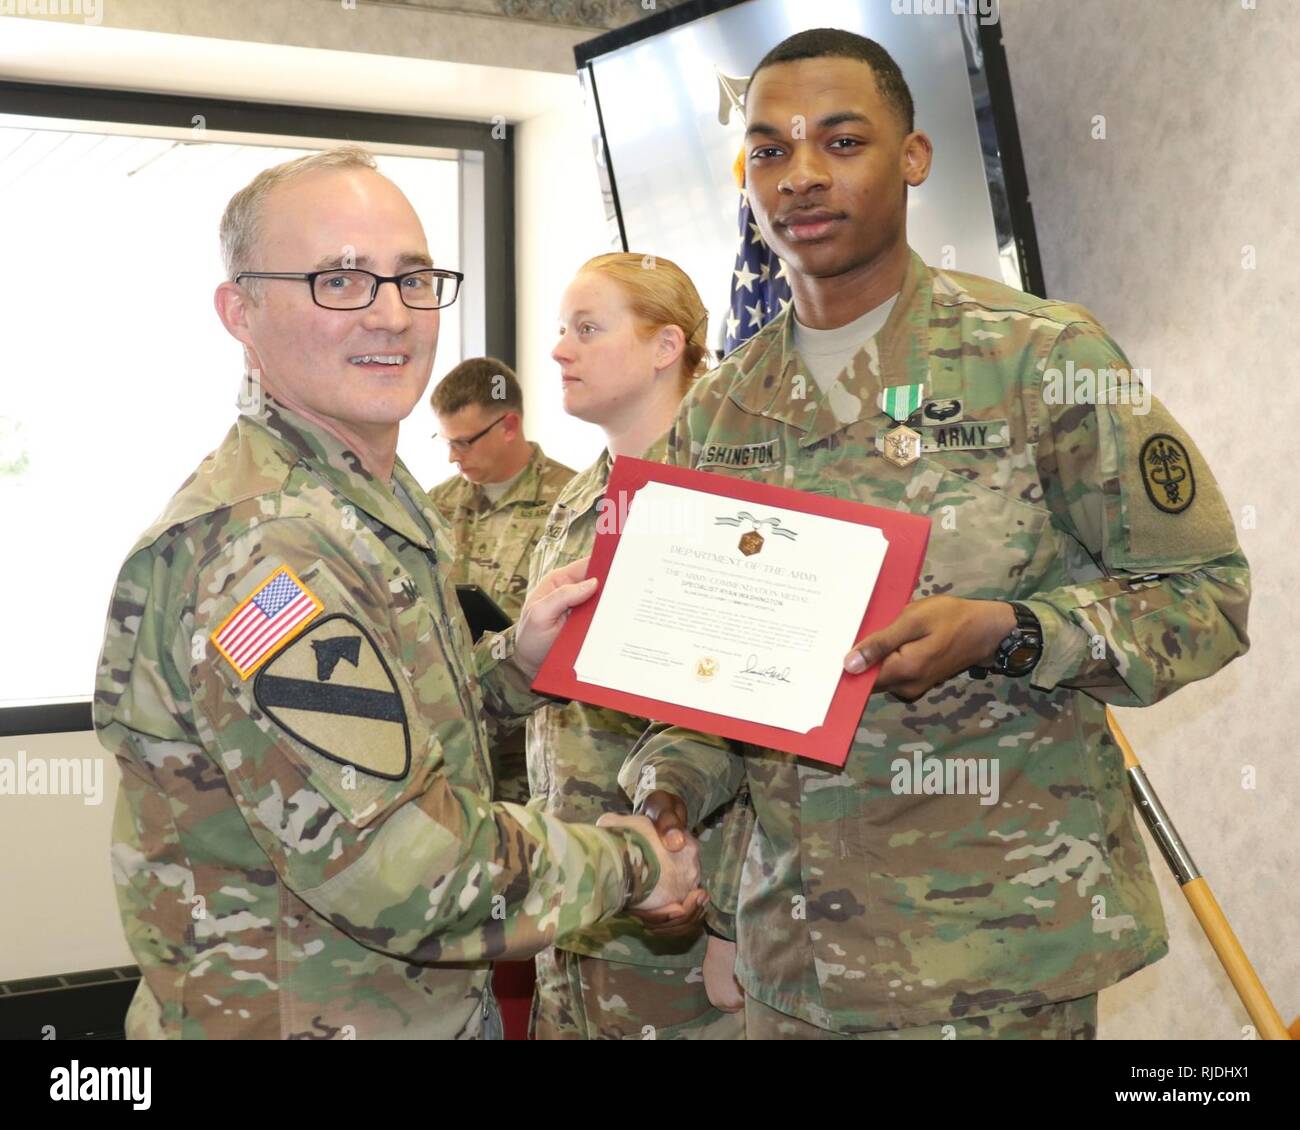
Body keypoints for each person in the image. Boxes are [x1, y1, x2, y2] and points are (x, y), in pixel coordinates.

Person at [623, 28, 1251, 1040]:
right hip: (798, 961)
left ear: (911, 158)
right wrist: (666, 789)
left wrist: (1006, 629)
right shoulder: (718, 411)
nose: (801, 177)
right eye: (770, 150)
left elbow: (1203, 596)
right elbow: (707, 680)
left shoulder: (1041, 359)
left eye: (841, 141)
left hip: (997, 960)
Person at [93, 145, 700, 1040]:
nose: (390, 315)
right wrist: (638, 864)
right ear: (240, 310)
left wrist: (512, 668)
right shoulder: (268, 545)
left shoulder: (361, 494)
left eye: (413, 279)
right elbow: (405, 870)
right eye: (339, 281)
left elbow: (395, 732)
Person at [526, 252, 748, 1039]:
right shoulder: (574, 503)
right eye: (561, 330)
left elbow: (763, 728)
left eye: (587, 329)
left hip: (683, 942)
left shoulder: (729, 497)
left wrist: (730, 924)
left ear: (666, 346)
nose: (559, 349)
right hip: (580, 920)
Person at [428, 358, 575, 803]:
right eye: (446, 441)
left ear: (508, 425)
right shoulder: (434, 505)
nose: (453, 456)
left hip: (536, 754)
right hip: (457, 745)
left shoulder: (571, 503)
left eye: (464, 442)